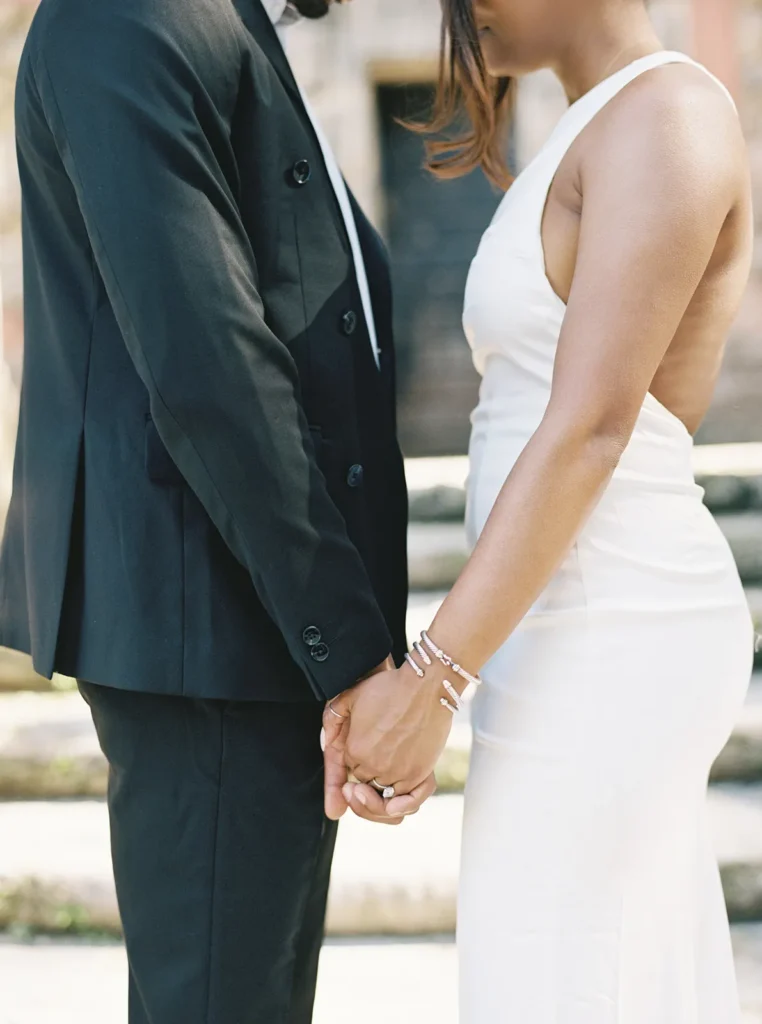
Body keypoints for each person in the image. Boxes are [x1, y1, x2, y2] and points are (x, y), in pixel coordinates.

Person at [0, 0, 432, 1020]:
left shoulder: (224, 23)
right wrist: (357, 658)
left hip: (260, 631)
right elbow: (210, 365)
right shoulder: (127, 15)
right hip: (211, 626)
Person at [325, 0, 755, 1019]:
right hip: (560, 626)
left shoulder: (669, 114)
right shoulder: (598, 120)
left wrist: (432, 681)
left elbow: (594, 426)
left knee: (557, 977)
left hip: (618, 623)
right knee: (589, 977)